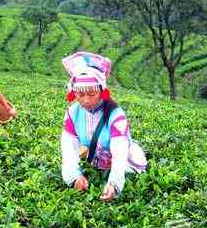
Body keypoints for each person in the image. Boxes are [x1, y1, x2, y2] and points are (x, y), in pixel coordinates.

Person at [61, 52, 147, 202]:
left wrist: (114, 183)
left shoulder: (116, 115)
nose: (86, 100)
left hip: (125, 162)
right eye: (80, 95)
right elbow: (68, 147)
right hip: (96, 162)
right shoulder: (72, 112)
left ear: (102, 90)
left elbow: (120, 153)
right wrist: (74, 176)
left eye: (92, 93)